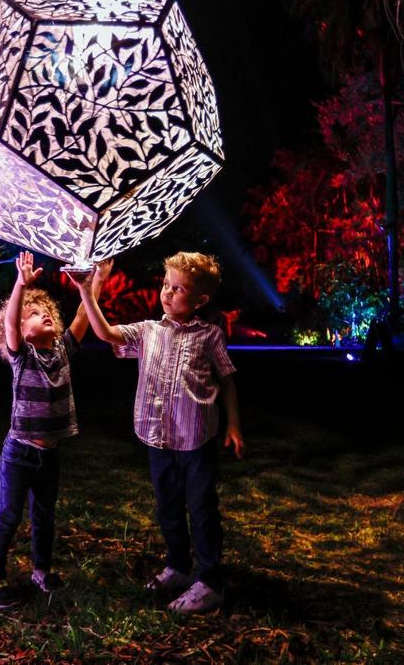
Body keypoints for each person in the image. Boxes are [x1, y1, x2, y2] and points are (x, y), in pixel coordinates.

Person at [71, 251, 244, 614]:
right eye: (166, 284)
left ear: (199, 300)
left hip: (196, 440)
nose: (167, 292)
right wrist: (88, 290)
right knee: (168, 507)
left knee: (201, 508)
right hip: (158, 438)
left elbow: (227, 380)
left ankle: (210, 581)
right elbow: (105, 332)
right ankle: (179, 566)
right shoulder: (148, 331)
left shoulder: (209, 336)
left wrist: (233, 424)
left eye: (178, 288)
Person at [0, 251, 110, 611]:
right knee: (9, 515)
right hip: (19, 453)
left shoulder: (63, 350)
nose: (45, 314)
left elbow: (83, 315)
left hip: (49, 455)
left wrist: (98, 280)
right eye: (34, 314)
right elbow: (10, 324)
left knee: (44, 516)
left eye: (47, 310)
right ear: (22, 331)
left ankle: (41, 570)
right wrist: (21, 285)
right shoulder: (22, 356)